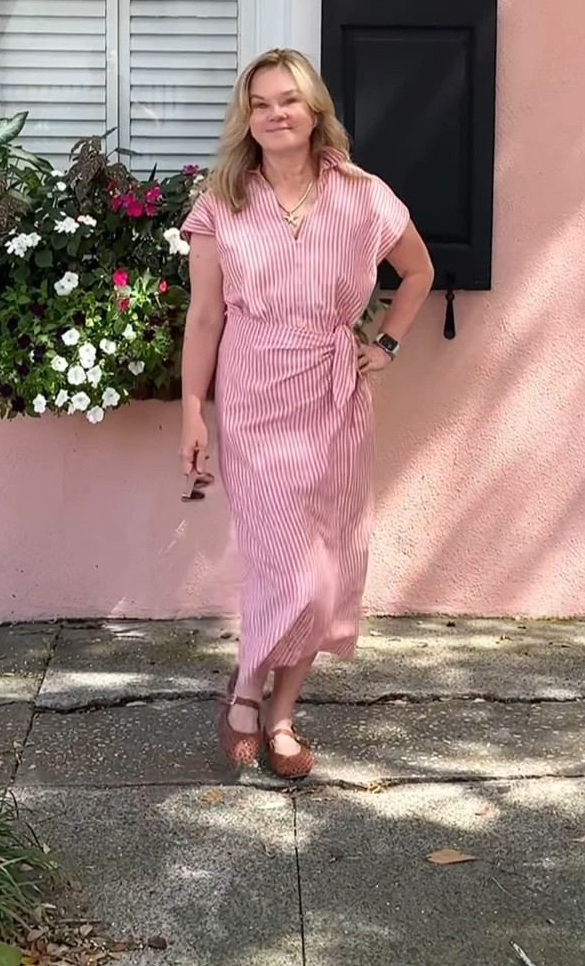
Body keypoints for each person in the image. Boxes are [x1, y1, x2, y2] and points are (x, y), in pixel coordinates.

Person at [179, 48, 435, 779]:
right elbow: (203, 317)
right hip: (255, 390)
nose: (275, 114)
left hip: (335, 394)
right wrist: (192, 410)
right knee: (279, 562)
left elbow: (417, 272)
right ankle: (245, 692)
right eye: (259, 104)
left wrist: (383, 342)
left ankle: (281, 713)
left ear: (314, 109)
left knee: (324, 568)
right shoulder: (221, 201)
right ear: (247, 119)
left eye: (288, 100)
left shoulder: (362, 194)